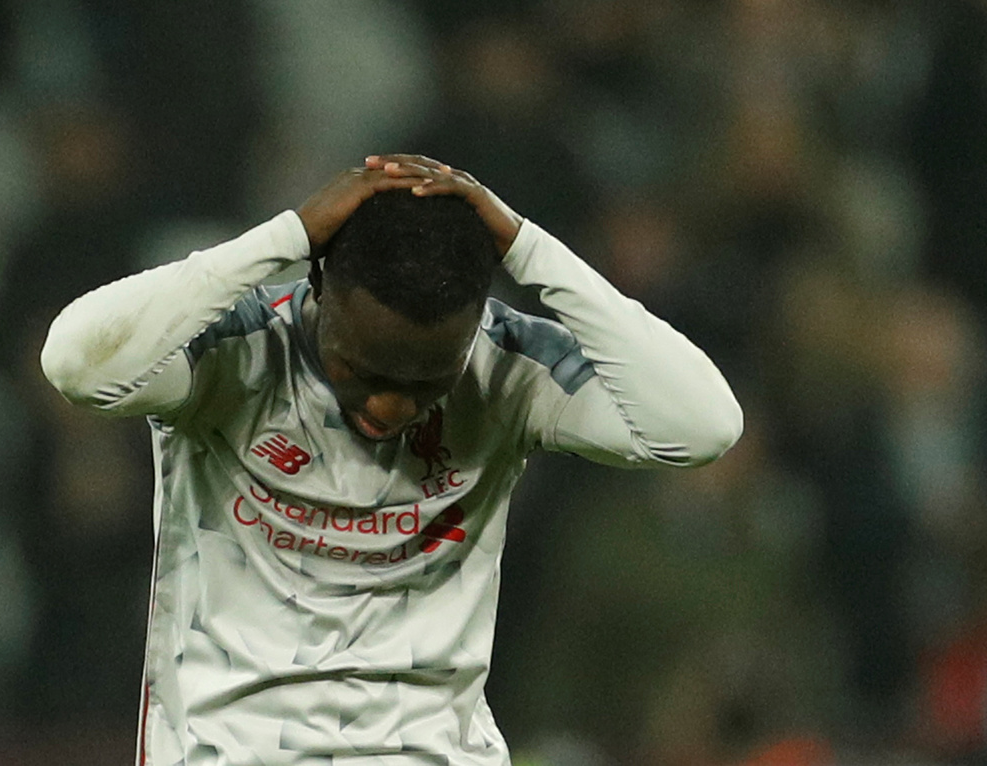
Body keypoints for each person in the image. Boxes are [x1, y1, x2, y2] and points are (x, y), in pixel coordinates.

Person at [40, 154, 743, 765]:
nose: (392, 407)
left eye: (427, 381)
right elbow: (76, 364)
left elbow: (700, 426)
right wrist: (288, 235)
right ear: (319, 284)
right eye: (364, 369)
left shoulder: (506, 367)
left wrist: (525, 246)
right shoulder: (235, 351)